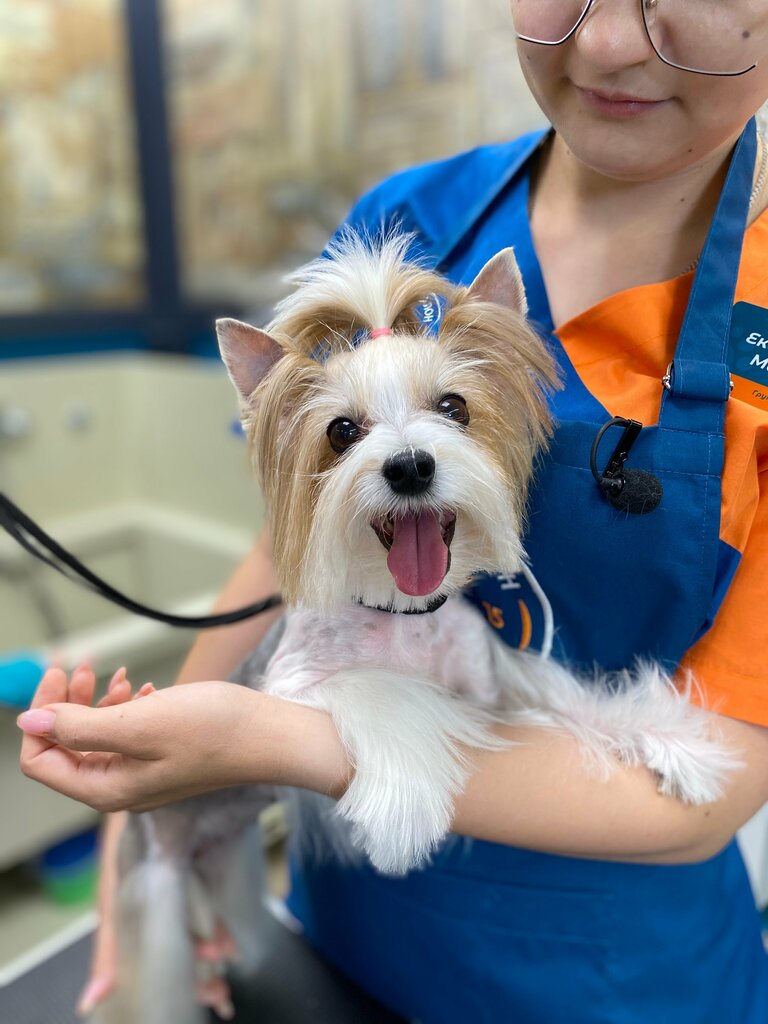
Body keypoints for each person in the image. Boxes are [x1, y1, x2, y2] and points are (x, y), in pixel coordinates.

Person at [17, 2, 768, 1020]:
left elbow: (711, 794)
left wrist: (280, 742)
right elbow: (285, 550)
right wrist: (140, 813)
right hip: (344, 943)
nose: (602, 41)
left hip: (617, 979)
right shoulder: (411, 214)